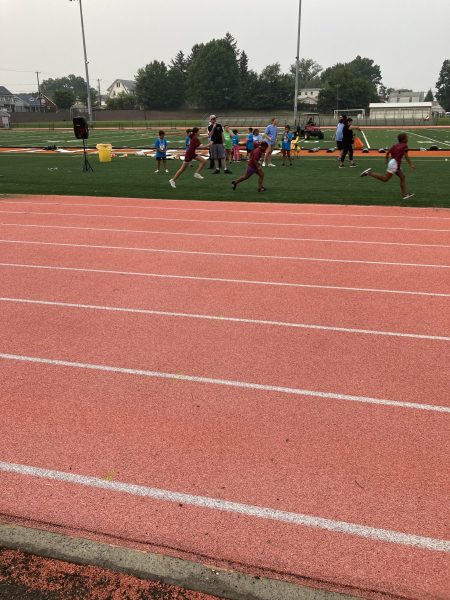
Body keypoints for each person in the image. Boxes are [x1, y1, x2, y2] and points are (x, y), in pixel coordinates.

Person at [360, 133, 416, 200]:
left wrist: (386, 160)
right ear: (403, 139)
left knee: (402, 177)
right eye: (406, 138)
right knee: (385, 179)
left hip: (393, 162)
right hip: (395, 164)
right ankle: (369, 173)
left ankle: (405, 194)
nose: (407, 139)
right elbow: (406, 156)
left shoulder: (395, 145)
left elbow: (388, 153)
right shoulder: (405, 145)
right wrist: (411, 164)